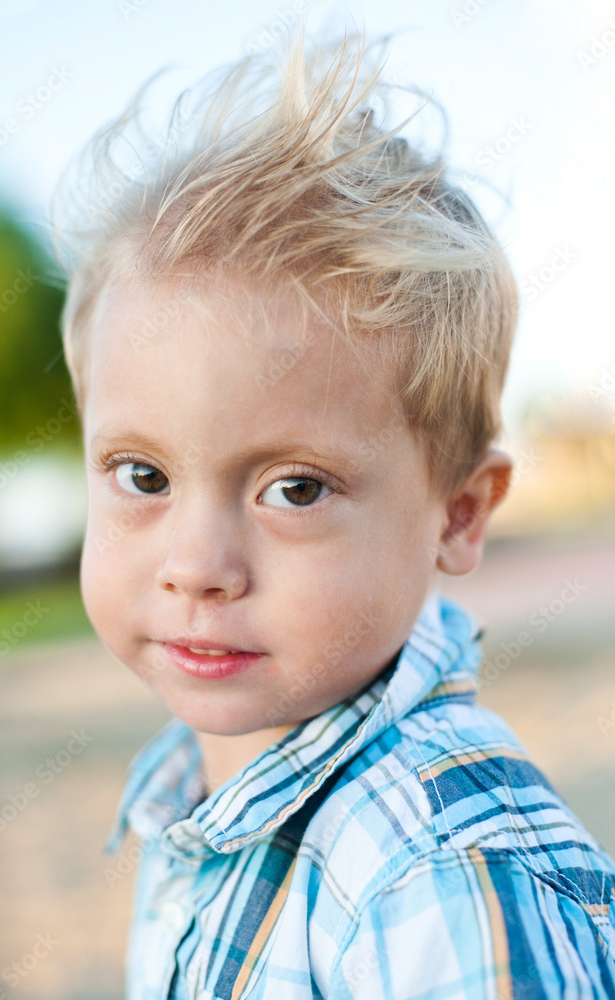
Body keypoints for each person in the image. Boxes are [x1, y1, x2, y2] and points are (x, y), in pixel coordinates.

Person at [52, 28, 615, 999]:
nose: (196, 565)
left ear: (456, 515)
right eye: (143, 476)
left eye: (295, 489)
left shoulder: (438, 873)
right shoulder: (195, 780)